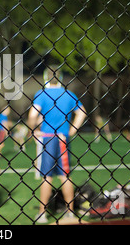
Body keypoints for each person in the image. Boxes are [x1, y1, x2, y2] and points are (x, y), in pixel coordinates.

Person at [27, 65, 86, 223]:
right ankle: (70, 211)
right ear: (60, 78)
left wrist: (33, 129)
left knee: (46, 177)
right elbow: (82, 112)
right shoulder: (69, 94)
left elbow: (32, 115)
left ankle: (42, 213)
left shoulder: (42, 94)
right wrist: (72, 130)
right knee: (65, 176)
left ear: (46, 78)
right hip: (62, 139)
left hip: (47, 138)